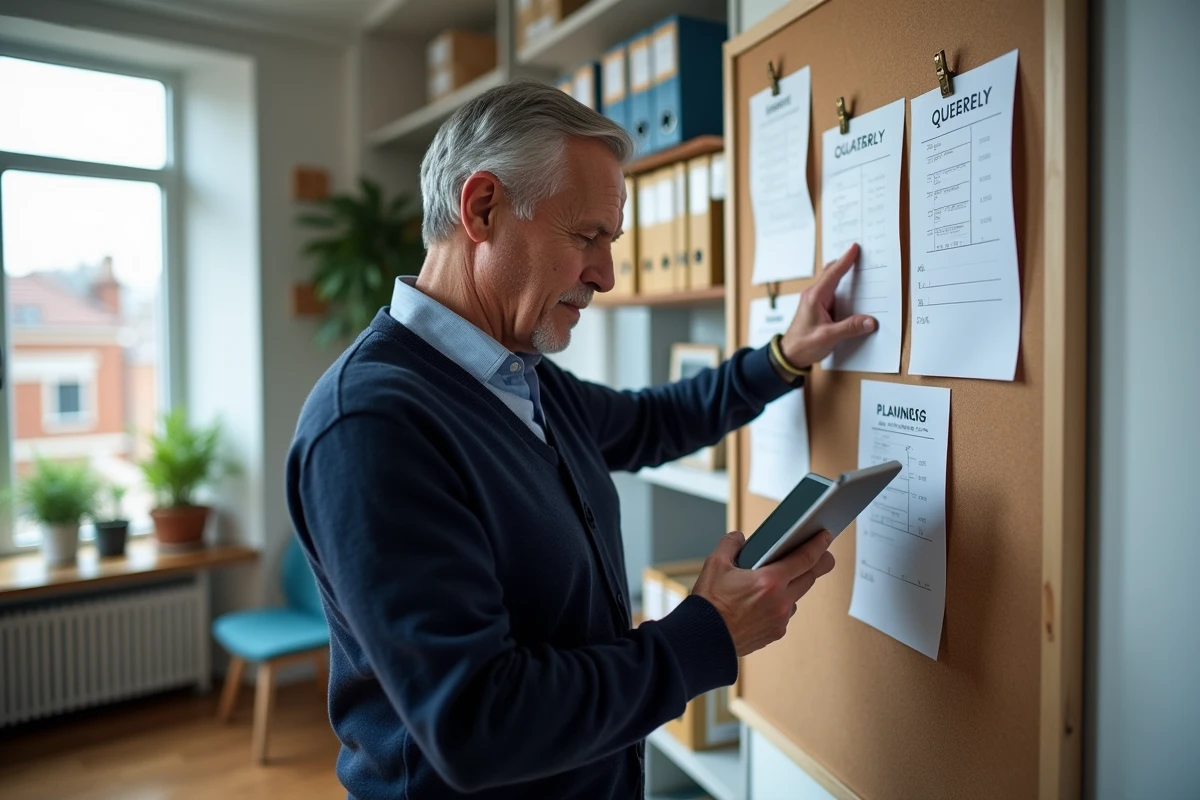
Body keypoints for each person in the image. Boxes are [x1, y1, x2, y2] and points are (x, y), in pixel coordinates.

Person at [285, 80, 876, 799]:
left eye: (611, 241)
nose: (606, 274)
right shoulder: (373, 426)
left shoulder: (519, 377)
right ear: (482, 208)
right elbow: (477, 722)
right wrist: (705, 634)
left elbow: (655, 422)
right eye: (586, 236)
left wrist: (784, 355)